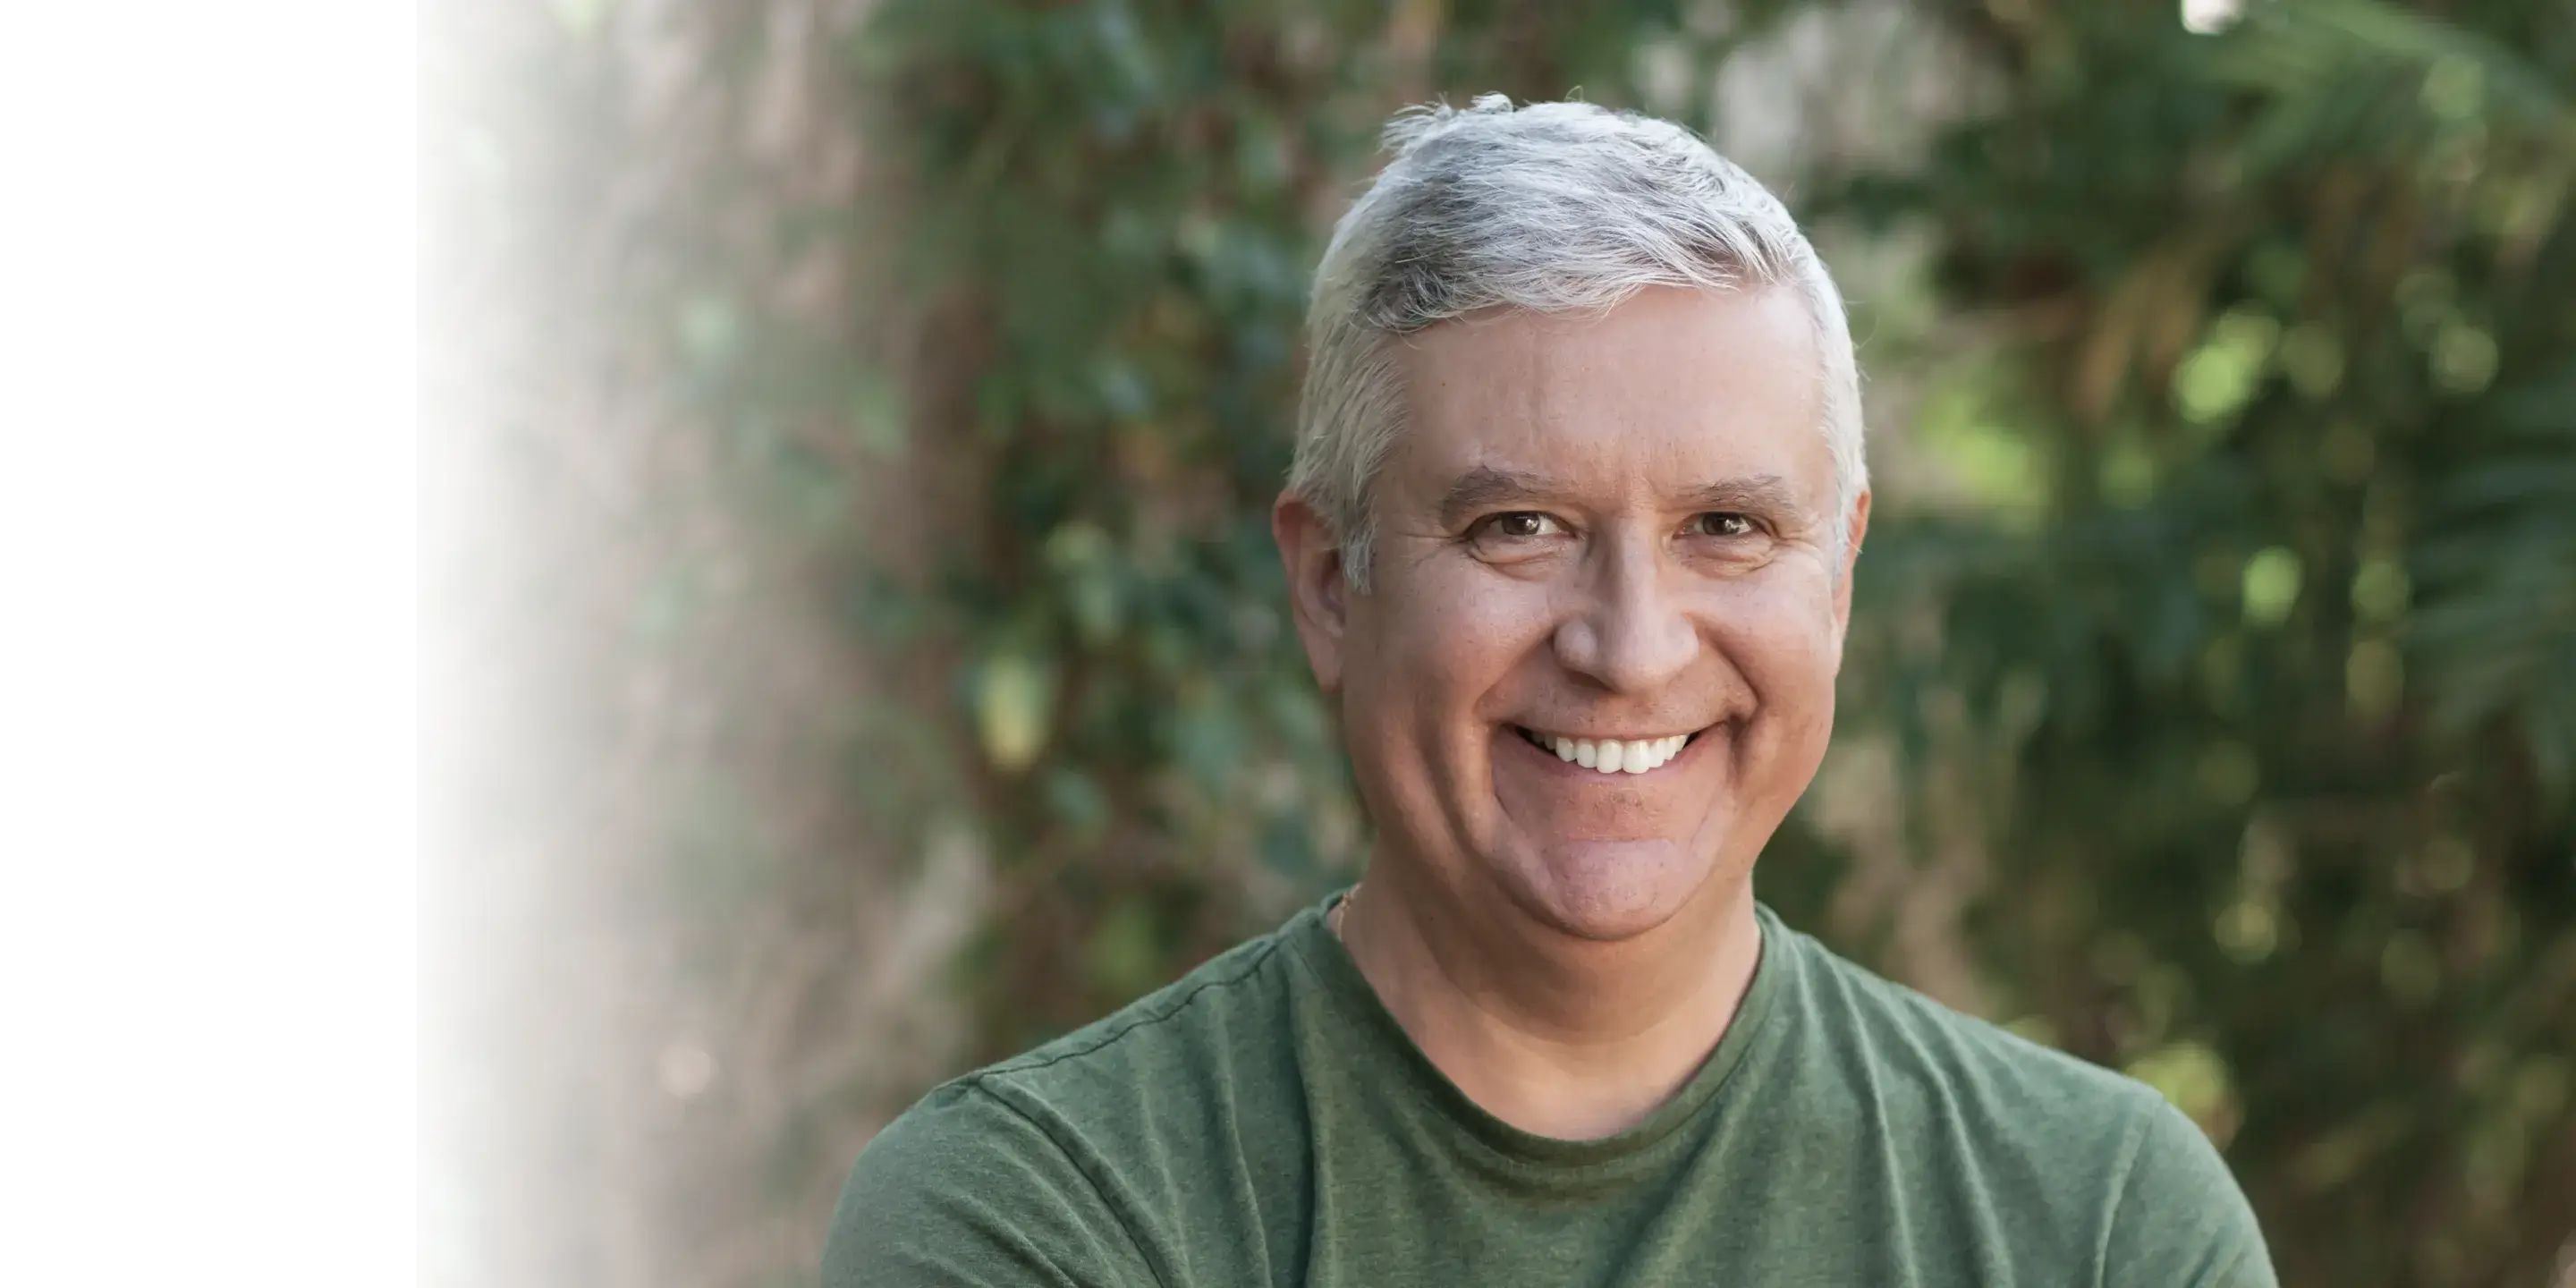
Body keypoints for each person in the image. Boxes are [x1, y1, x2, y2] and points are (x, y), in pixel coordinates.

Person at [825, 95, 2275, 1287]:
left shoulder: (2095, 1223)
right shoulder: (1049, 1217)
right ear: (1333, 583)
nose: (1632, 647)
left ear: (1835, 581)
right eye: (1518, 528)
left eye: (1728, 529)